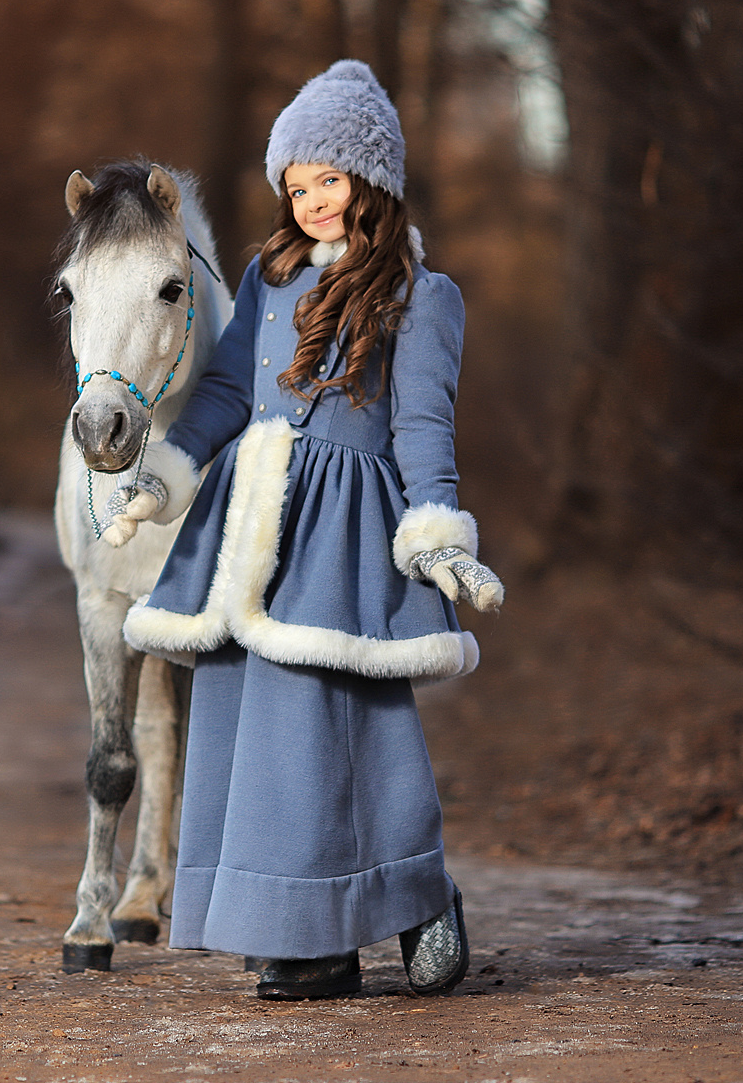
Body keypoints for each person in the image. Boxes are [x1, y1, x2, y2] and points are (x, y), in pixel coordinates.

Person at [101, 59, 503, 1000]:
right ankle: (300, 937)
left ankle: (417, 894)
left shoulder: (419, 294)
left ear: (373, 179)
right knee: (250, 726)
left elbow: (422, 426)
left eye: (329, 178)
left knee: (339, 727)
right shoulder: (268, 273)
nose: (313, 199)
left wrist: (437, 529)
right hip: (251, 520)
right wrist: (168, 474)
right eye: (296, 183)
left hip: (345, 529)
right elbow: (232, 391)